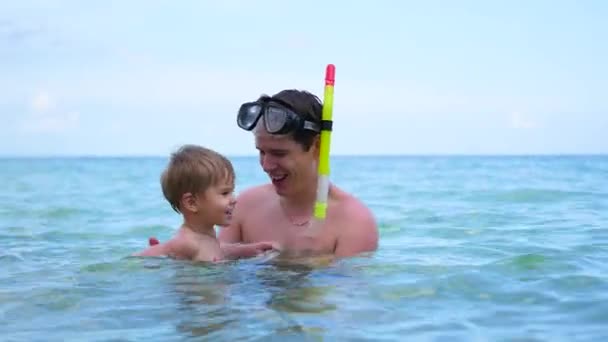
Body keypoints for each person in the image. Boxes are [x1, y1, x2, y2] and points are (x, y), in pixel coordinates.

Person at [218, 89, 379, 258]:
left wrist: (312, 268)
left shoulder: (354, 222)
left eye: (279, 154)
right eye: (262, 152)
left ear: (317, 147)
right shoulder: (246, 205)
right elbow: (213, 271)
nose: (266, 166)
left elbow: (348, 283)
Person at [135, 144, 276, 262]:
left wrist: (248, 250)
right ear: (191, 203)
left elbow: (219, 248)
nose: (234, 199)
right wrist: (154, 255)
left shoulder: (206, 236)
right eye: (225, 193)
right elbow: (139, 258)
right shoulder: (187, 243)